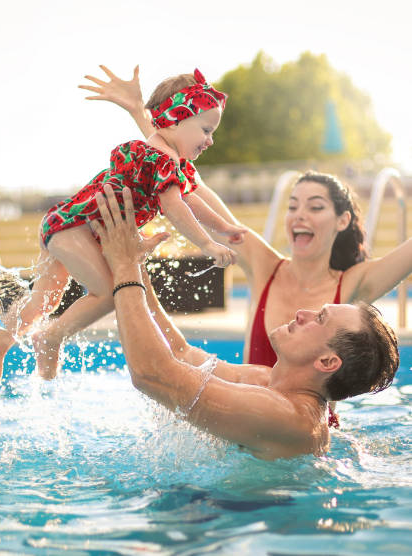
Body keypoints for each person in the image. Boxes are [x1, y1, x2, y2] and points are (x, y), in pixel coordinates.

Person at [81, 65, 412, 425]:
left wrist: (126, 266)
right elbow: (185, 182)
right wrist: (144, 116)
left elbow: (154, 375)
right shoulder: (260, 371)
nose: (299, 216)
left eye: (315, 207)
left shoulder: (353, 287)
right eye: (292, 206)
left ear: (343, 221)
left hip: (276, 424)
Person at [0, 68, 246, 394]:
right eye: (205, 129)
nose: (210, 139)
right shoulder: (159, 158)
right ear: (175, 120)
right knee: (108, 294)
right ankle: (49, 338)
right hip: (76, 228)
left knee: (45, 299)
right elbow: (177, 208)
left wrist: (225, 226)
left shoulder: (166, 159)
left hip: (65, 224)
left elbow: (190, 199)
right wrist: (207, 243)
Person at [90, 184, 399, 460]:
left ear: (328, 361)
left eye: (319, 318)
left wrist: (124, 266)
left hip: (244, 517)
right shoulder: (267, 382)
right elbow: (181, 355)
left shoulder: (287, 417)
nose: (303, 313)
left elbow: (152, 375)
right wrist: (134, 263)